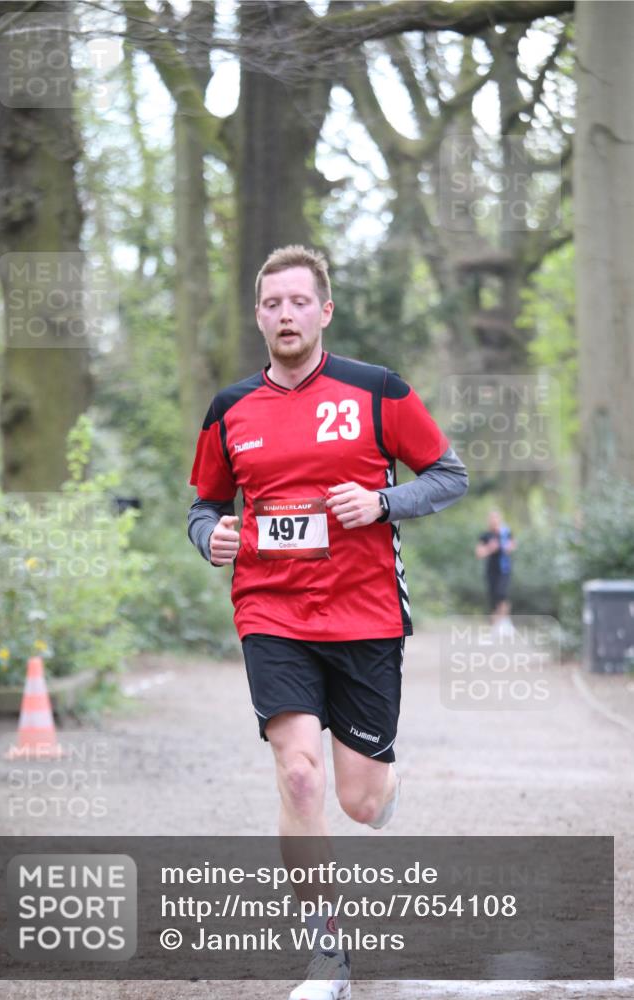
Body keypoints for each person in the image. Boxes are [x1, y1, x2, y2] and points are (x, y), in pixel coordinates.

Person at [187, 245, 468, 1000]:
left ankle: (376, 788)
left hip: (365, 611)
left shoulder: (376, 391)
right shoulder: (230, 410)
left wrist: (382, 501)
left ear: (323, 311)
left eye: (297, 302)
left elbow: (449, 476)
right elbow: (205, 506)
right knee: (299, 775)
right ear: (258, 315)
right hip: (270, 608)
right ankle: (326, 956)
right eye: (271, 303)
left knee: (359, 800)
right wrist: (205, 536)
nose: (284, 314)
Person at [475, 510, 517, 631]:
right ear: (488, 520)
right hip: (491, 570)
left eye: (496, 518)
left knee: (501, 594)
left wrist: (505, 545)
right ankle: (495, 625)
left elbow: (512, 546)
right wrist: (490, 548)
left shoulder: (506, 533)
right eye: (491, 518)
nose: (494, 521)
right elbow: (479, 553)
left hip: (504, 569)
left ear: (500, 519)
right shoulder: (485, 536)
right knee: (493, 596)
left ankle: (504, 622)